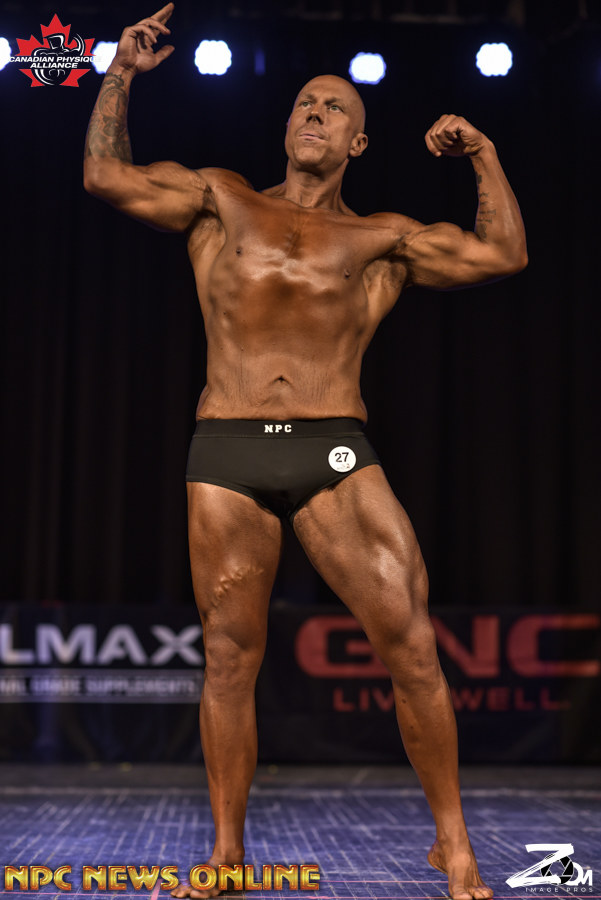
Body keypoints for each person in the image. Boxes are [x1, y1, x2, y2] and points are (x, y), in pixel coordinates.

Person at [83, 4, 527, 899]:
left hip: (331, 447)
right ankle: (226, 856)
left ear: (357, 142)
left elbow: (502, 255)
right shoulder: (220, 199)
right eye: (304, 103)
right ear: (287, 126)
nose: (315, 113)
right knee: (228, 658)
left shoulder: (380, 239)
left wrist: (481, 153)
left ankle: (454, 846)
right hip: (227, 449)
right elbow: (104, 176)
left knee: (410, 645)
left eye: (334, 107)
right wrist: (119, 71)